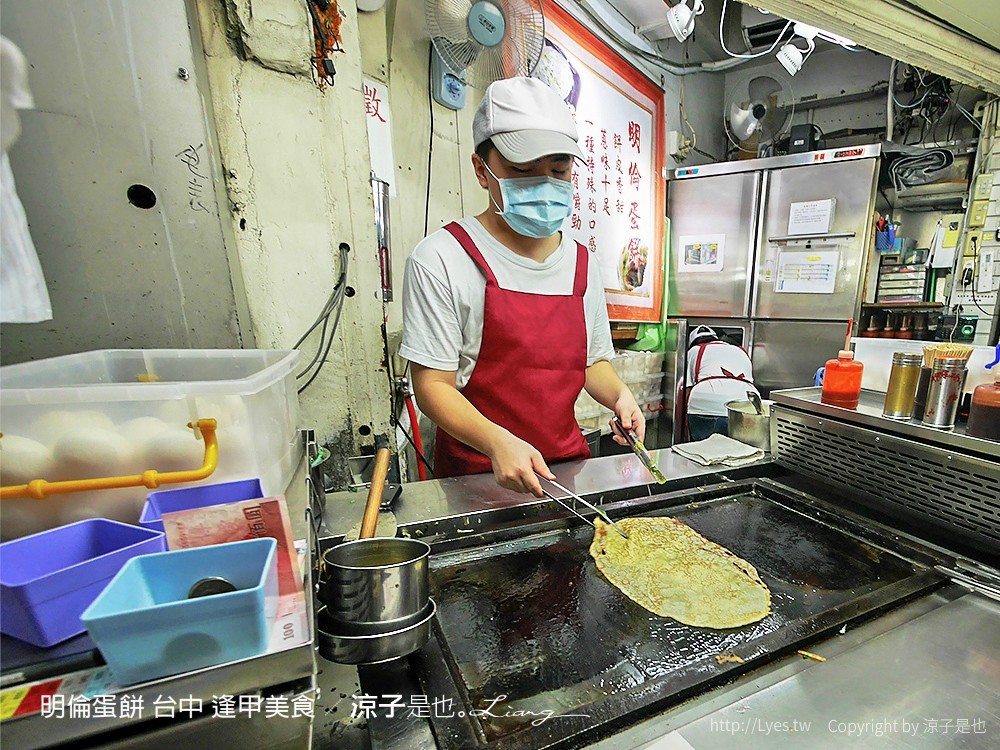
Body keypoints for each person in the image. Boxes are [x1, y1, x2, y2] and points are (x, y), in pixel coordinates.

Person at [400, 76, 644, 496]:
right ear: (482, 170)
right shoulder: (441, 258)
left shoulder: (582, 263)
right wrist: (497, 442)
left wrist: (620, 395)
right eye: (522, 170)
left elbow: (591, 364)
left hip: (566, 474)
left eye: (558, 169)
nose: (545, 183)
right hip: (476, 478)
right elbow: (431, 387)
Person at [684, 325, 760, 441]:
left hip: (706, 407)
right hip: (745, 408)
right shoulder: (740, 351)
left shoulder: (695, 350)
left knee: (703, 452)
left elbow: (687, 390)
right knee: (738, 453)